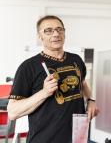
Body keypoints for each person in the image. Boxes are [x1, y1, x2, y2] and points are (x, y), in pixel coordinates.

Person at [7, 15, 99, 143]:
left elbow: (82, 83)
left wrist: (91, 100)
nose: (56, 34)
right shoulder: (28, 67)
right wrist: (44, 93)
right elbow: (12, 112)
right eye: (48, 30)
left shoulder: (76, 59)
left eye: (59, 29)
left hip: (77, 137)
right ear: (40, 36)